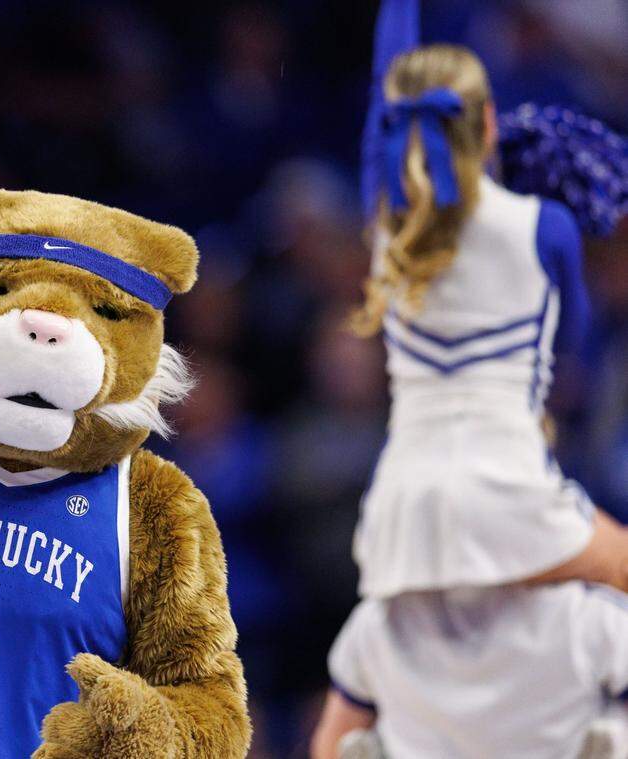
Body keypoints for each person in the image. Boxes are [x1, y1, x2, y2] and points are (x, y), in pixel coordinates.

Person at [311, 2, 628, 756]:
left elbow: (387, 87)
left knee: (396, 650)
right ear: (488, 125)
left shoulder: (387, 225)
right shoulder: (544, 227)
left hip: (402, 504)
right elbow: (573, 356)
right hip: (506, 484)